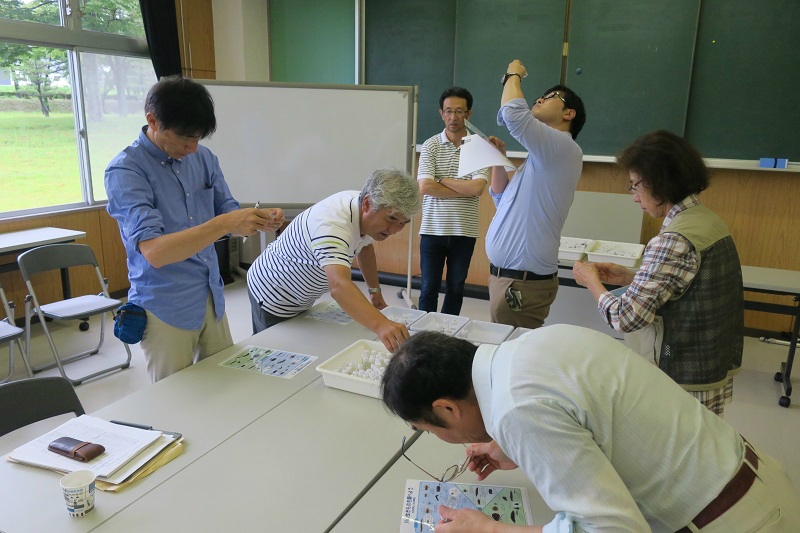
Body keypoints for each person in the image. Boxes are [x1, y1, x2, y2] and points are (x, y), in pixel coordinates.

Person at [381, 326, 800, 532]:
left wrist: (490, 528)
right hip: (751, 478)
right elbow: (585, 414)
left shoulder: (515, 411)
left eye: (428, 429)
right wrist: (508, 447)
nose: (437, 437)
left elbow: (615, 531)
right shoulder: (530, 347)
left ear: (447, 409)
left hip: (738, 522)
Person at [105, 76, 284, 383]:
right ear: (153, 121)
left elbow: (227, 209)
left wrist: (255, 219)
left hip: (211, 295)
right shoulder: (126, 170)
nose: (192, 148)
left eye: (198, 138)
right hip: (164, 305)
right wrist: (226, 223)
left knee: (225, 384)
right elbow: (156, 252)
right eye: (186, 139)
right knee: (176, 399)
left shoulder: (203, 158)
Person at [572, 130, 744, 416]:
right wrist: (631, 278)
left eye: (635, 186)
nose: (634, 198)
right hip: (710, 361)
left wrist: (592, 282)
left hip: (682, 374)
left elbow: (625, 318)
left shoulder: (672, 239)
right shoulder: (706, 220)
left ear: (659, 182)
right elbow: (688, 282)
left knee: (678, 451)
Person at [246, 169, 420, 351]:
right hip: (273, 293)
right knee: (273, 355)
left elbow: (365, 246)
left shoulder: (366, 212)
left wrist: (375, 293)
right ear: (367, 204)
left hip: (301, 294)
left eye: (402, 224)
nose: (393, 230)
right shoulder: (332, 225)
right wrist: (381, 325)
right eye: (391, 219)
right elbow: (339, 286)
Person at [485, 59, 586, 329]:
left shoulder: (563, 148)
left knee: (514, 360)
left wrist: (513, 73)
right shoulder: (540, 159)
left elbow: (513, 114)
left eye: (551, 96)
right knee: (507, 354)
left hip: (522, 283)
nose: (540, 98)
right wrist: (499, 159)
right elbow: (500, 198)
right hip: (508, 279)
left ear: (569, 114)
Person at [417, 87, 489, 315]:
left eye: (459, 111)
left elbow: (478, 188)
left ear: (469, 114)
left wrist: (442, 179)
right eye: (448, 111)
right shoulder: (430, 145)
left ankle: (448, 336)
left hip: (464, 231)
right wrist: (463, 189)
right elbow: (425, 187)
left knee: (456, 289)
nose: (453, 117)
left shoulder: (479, 146)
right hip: (432, 229)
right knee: (428, 288)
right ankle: (423, 338)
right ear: (441, 113)